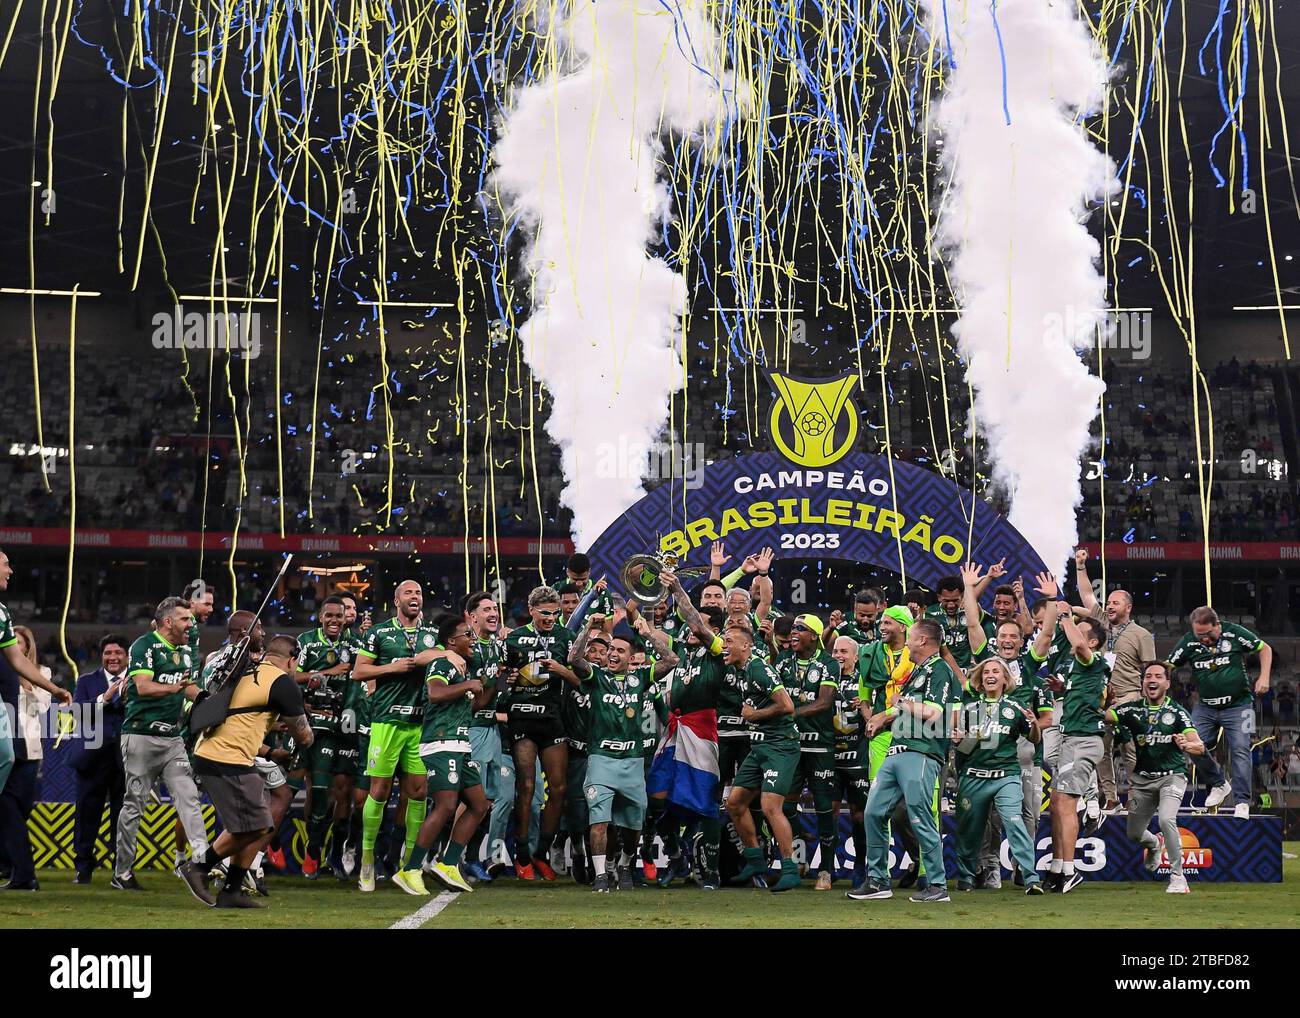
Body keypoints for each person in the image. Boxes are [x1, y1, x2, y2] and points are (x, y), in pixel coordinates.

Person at [188, 617, 313, 908]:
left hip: (219, 752)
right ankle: (199, 868)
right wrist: (303, 738)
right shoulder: (281, 683)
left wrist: (271, 753)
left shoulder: (245, 671)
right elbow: (304, 735)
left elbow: (241, 723)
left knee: (260, 824)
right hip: (225, 757)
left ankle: (232, 890)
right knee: (255, 826)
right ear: (292, 660)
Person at [567, 613, 677, 892]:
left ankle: (626, 863)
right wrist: (588, 629)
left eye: (619, 651)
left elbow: (671, 660)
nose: (613, 654)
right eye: (611, 650)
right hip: (601, 759)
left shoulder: (641, 677)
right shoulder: (597, 677)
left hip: (632, 761)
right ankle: (602, 874)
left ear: (631, 657)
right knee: (599, 820)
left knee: (633, 825)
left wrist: (648, 634)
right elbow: (574, 660)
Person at [853, 617, 956, 903]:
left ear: (923, 640)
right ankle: (877, 881)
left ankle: (937, 885)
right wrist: (882, 716)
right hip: (896, 750)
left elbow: (933, 712)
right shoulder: (918, 672)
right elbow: (903, 709)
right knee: (873, 812)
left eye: (911, 637)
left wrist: (898, 704)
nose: (907, 642)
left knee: (921, 816)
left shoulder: (939, 670)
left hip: (921, 751)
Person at [113, 596, 211, 895]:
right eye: (185, 620)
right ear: (168, 621)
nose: (190, 625)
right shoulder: (144, 646)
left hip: (172, 741)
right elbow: (142, 686)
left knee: (189, 797)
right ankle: (123, 872)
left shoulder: (183, 650)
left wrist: (210, 701)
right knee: (134, 807)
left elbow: (190, 688)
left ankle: (202, 861)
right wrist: (175, 688)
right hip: (140, 736)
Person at [393, 615, 495, 896]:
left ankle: (448, 863)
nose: (472, 639)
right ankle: (410, 869)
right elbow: (435, 693)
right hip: (441, 741)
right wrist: (467, 685)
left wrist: (495, 680)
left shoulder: (462, 669)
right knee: (446, 805)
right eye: (467, 635)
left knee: (479, 804)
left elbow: (475, 705)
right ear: (451, 641)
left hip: (460, 743)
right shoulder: (442, 663)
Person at [352, 580, 442, 892]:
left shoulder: (433, 634)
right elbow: (359, 672)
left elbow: (445, 661)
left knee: (418, 792)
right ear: (397, 599)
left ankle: (409, 865)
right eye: (408, 593)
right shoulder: (379, 632)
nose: (414, 597)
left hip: (419, 723)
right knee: (379, 791)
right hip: (386, 722)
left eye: (418, 593)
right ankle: (366, 860)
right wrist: (391, 668)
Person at [1037, 575, 1111, 894]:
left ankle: (1069, 870)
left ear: (1092, 642)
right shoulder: (1080, 671)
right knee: (1057, 802)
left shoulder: (1091, 659)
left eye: (1081, 634)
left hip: (1083, 740)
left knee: (1065, 804)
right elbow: (1080, 693)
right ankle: (1056, 867)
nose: (1074, 637)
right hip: (1072, 737)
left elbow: (1078, 642)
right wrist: (1062, 688)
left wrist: (1064, 611)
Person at [1109, 661, 1204, 894]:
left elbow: (1199, 746)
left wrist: (1186, 744)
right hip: (1142, 780)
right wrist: (1104, 698)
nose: (1152, 679)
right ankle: (1154, 844)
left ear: (1167, 683)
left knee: (1165, 820)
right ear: (1142, 682)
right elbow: (1107, 715)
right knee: (1133, 834)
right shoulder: (1131, 710)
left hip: (1171, 777)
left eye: (1158, 676)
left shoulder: (1177, 712)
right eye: (1148, 676)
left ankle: (1178, 877)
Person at [1167, 606, 1272, 818]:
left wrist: (1264, 677)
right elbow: (1168, 665)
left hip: (1240, 704)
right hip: (1205, 707)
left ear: (1218, 625)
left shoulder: (1234, 633)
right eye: (1200, 635)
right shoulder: (1189, 641)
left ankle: (1242, 802)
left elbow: (1264, 648)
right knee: (1191, 746)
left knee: (1241, 749)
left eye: (1208, 634)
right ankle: (1218, 783)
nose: (1204, 639)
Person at [951, 657, 1044, 894]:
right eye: (986, 672)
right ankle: (966, 876)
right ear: (980, 680)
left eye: (996, 671)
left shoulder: (1015, 707)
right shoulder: (969, 709)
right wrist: (958, 742)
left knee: (1014, 822)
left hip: (1006, 776)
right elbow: (962, 750)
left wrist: (1034, 724)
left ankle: (1031, 878)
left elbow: (1034, 739)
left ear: (1005, 679)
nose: (991, 675)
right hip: (974, 777)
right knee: (969, 830)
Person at [502, 585, 576, 880]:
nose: (551, 618)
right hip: (521, 718)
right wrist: (515, 677)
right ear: (531, 611)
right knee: (527, 788)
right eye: (545, 613)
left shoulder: (565, 637)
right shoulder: (515, 638)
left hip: (553, 718)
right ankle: (521, 855)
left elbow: (579, 680)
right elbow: (502, 678)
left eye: (555, 613)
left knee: (559, 789)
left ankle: (542, 852)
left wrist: (558, 670)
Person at [1075, 549, 1157, 811]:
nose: (1109, 606)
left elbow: (1151, 670)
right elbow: (1087, 595)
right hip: (1101, 698)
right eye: (1108, 602)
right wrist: (1080, 566)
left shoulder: (1142, 634)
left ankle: (1136, 797)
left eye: (1115, 603)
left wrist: (1150, 705)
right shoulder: (1100, 622)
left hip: (1129, 696)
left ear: (1128, 607)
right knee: (1102, 751)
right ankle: (1110, 798)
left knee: (1131, 750)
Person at [723, 624, 802, 893]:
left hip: (780, 746)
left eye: (729, 641)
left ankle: (789, 869)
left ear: (745, 646)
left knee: (770, 807)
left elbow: (787, 706)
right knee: (734, 803)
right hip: (759, 747)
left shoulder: (758, 668)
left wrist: (753, 716)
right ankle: (756, 861)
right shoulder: (743, 668)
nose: (724, 645)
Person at [0, 549, 73, 807]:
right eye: (6, 565)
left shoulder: (1, 613)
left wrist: (54, 690)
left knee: (7, 756)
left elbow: (17, 660)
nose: (10, 571)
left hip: (18, 730)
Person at [292, 596, 357, 878]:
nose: (334, 620)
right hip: (314, 725)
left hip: (348, 725)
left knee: (343, 792)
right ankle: (313, 847)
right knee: (318, 790)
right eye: (328, 615)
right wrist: (328, 672)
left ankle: (338, 849)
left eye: (338, 616)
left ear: (345, 618)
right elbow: (291, 675)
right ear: (320, 617)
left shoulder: (356, 643)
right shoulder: (306, 641)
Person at [776, 614, 839, 889]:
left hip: (819, 744)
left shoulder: (828, 663)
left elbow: (824, 702)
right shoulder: (782, 662)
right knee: (785, 804)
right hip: (790, 745)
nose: (793, 633)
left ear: (814, 636)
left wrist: (789, 714)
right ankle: (800, 851)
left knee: (825, 807)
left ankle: (825, 870)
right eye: (792, 629)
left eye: (800, 629)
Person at [0, 627, 57, 891]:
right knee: (8, 810)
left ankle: (16, 867)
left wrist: (25, 683)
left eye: (19, 643)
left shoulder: (42, 673)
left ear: (26, 648)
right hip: (6, 744)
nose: (14, 646)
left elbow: (43, 707)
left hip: (30, 749)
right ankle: (21, 870)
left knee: (18, 812)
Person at [71, 635, 130, 883]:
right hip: (92, 759)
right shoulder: (87, 681)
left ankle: (121, 869)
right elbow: (77, 714)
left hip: (127, 759)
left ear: (127, 656)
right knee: (87, 815)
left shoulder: (139, 681)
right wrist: (104, 699)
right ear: (101, 655)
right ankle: (83, 868)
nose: (113, 657)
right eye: (108, 653)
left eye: (117, 652)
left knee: (124, 816)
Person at [462, 591, 505, 883]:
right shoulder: (467, 649)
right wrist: (498, 681)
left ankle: (470, 857)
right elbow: (474, 702)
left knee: (487, 799)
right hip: (473, 728)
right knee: (468, 799)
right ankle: (452, 857)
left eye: (495, 608)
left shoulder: (498, 648)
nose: (493, 613)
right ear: (472, 616)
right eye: (486, 609)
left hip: (492, 730)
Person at [829, 635, 869, 892]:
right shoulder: (824, 678)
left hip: (858, 756)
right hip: (830, 757)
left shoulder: (865, 681)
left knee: (859, 815)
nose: (838, 656)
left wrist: (866, 705)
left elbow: (880, 714)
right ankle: (827, 868)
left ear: (856, 656)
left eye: (844, 651)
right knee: (829, 812)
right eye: (834, 651)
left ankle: (861, 865)